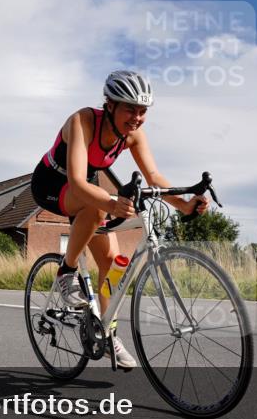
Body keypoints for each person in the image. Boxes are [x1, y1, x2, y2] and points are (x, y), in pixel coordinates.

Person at [30, 70, 209, 369]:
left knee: (112, 264)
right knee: (98, 207)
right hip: (51, 183)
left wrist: (184, 205)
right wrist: (112, 204)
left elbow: (153, 177)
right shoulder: (83, 121)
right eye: (130, 109)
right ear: (110, 105)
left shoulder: (133, 135)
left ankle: (106, 333)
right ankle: (66, 272)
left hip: (86, 188)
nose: (136, 118)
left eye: (143, 111)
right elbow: (76, 182)